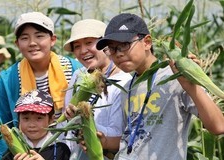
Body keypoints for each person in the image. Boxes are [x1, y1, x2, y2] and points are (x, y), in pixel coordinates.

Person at [95, 13, 224, 160]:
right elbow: (133, 139)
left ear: (147, 42)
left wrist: (191, 86)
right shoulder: (127, 88)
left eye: (124, 45)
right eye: (111, 49)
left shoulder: (176, 78)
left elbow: (218, 126)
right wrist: (105, 142)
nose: (117, 54)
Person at [0, 11, 82, 160]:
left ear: (53, 40)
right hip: (24, 151)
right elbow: (2, 127)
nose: (32, 43)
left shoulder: (74, 69)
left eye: (39, 36)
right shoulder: (9, 79)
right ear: (17, 44)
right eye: (24, 38)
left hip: (68, 150)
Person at [63, 19, 132, 159]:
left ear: (105, 45)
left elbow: (118, 134)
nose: (83, 51)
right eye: (77, 46)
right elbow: (67, 126)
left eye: (89, 43)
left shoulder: (124, 82)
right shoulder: (78, 76)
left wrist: (83, 120)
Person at [2, 89, 71, 160]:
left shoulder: (60, 150)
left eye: (39, 118)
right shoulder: (11, 152)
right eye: (26, 118)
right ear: (19, 120)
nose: (32, 125)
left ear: (51, 119)